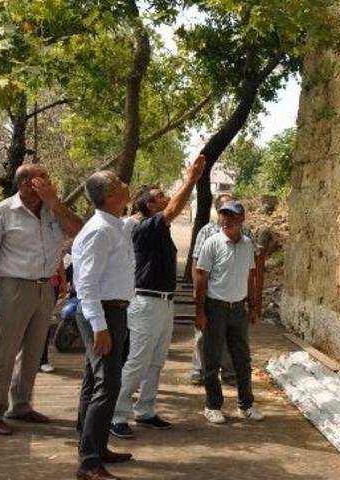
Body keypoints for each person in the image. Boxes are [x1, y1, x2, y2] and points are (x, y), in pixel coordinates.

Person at [0, 164, 83, 435]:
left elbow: (78, 230)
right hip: (13, 287)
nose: (48, 183)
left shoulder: (52, 210)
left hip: (45, 288)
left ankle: (20, 406)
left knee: (33, 352)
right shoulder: (2, 212)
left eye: (48, 178)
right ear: (25, 184)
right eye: (41, 179)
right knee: (2, 353)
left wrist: (55, 203)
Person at [110, 155, 206, 439]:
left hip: (164, 302)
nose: (166, 198)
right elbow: (174, 208)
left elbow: (172, 209)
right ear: (149, 206)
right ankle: (116, 414)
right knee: (138, 361)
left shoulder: (158, 230)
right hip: (145, 301)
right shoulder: (145, 227)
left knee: (156, 361)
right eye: (160, 196)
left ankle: (145, 409)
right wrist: (191, 180)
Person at [71, 170, 135, 480]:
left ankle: (93, 446)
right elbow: (87, 283)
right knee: (107, 384)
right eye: (118, 182)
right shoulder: (100, 230)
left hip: (112, 311)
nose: (125, 184)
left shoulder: (115, 225)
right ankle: (89, 462)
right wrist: (99, 325)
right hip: (102, 312)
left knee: (95, 381)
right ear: (109, 195)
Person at [194, 201, 263, 424]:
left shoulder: (247, 245)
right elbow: (201, 278)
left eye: (231, 216)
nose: (226, 220)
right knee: (212, 359)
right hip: (216, 307)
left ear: (241, 219)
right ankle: (212, 405)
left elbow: (250, 276)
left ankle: (246, 404)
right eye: (223, 215)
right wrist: (200, 311)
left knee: (242, 359)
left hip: (238, 309)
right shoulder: (212, 243)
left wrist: (253, 306)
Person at [188, 192, 245, 386]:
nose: (227, 215)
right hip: (210, 291)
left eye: (231, 209)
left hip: (232, 293)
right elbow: (196, 261)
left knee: (229, 335)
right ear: (217, 211)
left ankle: (228, 371)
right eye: (223, 210)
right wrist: (196, 289)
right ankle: (199, 370)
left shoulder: (244, 232)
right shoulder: (207, 231)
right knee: (203, 332)